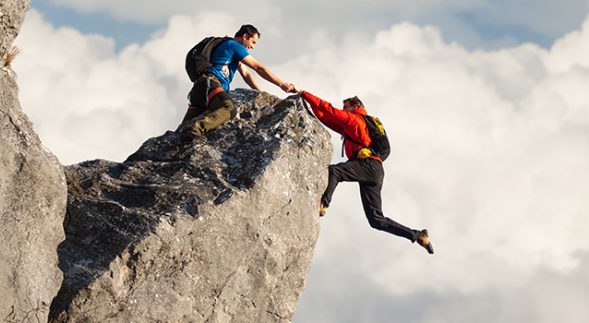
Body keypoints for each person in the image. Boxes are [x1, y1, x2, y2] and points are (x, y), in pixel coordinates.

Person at [297, 90, 434, 254]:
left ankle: (323, 204)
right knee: (376, 220)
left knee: (335, 171)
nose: (343, 110)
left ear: (356, 106)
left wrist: (303, 93)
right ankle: (418, 235)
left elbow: (329, 109)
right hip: (375, 171)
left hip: (369, 165)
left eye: (346, 107)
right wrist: (308, 106)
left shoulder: (355, 121)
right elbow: (328, 118)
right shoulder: (361, 124)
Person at [181, 24, 295, 139]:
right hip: (210, 85)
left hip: (199, 89)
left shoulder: (228, 47)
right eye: (253, 42)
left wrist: (259, 93)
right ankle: (198, 129)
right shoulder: (234, 46)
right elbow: (258, 68)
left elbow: (246, 74)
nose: (253, 47)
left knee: (183, 127)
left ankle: (180, 140)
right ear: (245, 36)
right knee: (229, 109)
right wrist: (282, 84)